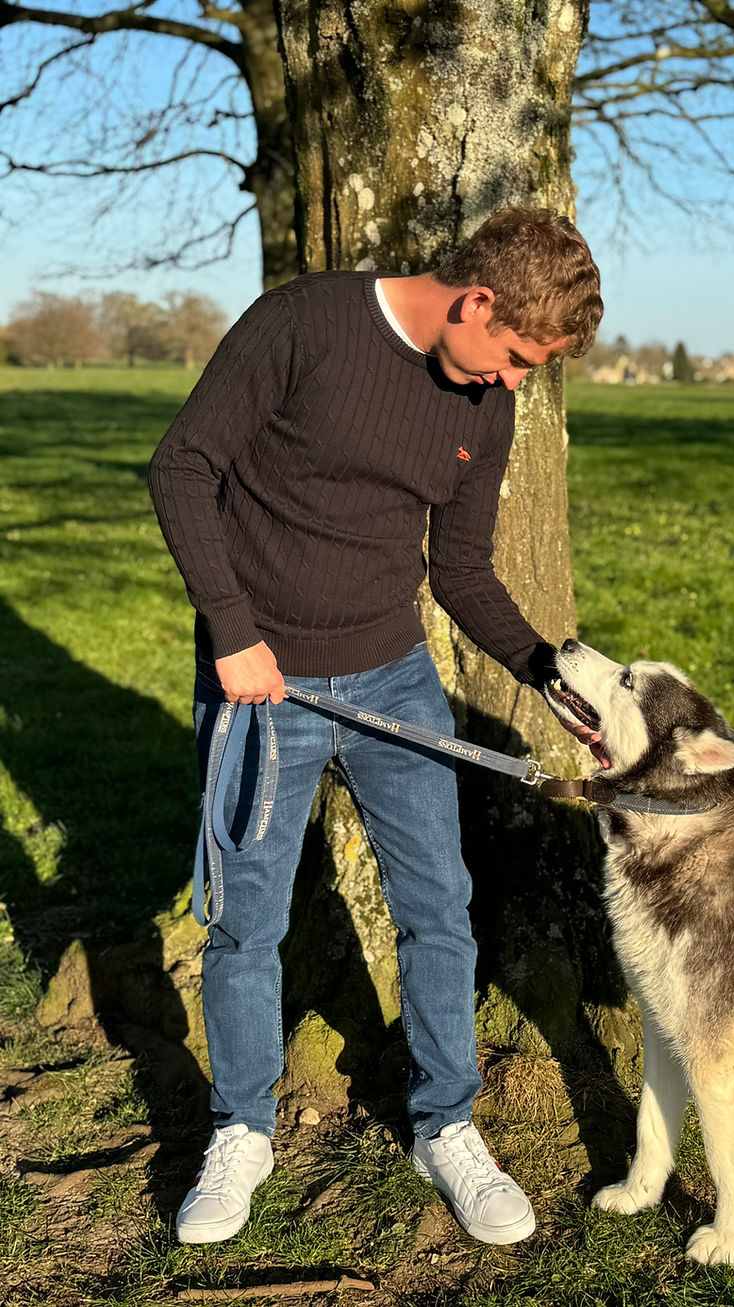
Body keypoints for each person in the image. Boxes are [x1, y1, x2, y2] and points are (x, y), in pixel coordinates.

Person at [148, 207, 603, 1249]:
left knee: (440, 907)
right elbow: (182, 467)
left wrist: (544, 670)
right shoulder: (303, 323)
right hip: (259, 684)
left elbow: (463, 569)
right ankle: (241, 1129)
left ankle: (446, 1123)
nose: (513, 382)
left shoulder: (486, 405)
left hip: (394, 681)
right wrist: (232, 633)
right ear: (476, 301)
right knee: (244, 920)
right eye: (515, 357)